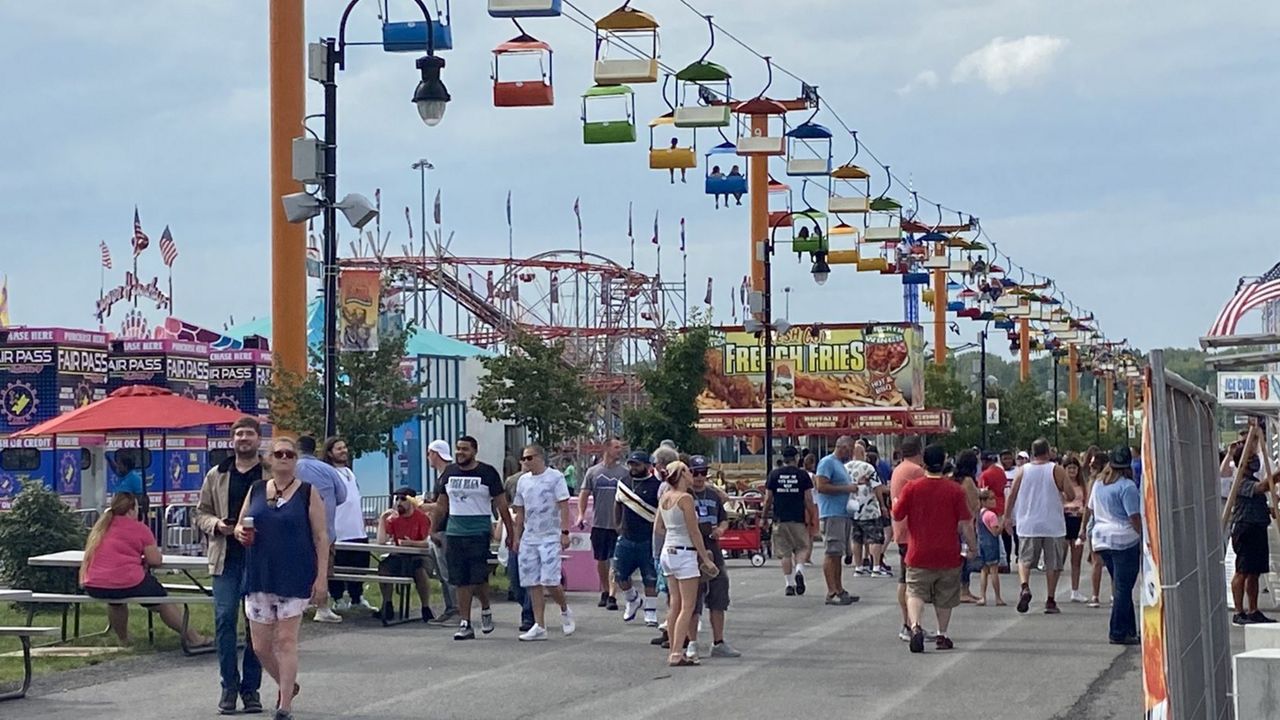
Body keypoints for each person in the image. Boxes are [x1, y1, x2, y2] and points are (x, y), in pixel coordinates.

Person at [234, 436, 329, 720]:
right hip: (260, 574)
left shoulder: (307, 492)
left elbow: (321, 536)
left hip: (295, 574)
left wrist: (321, 577)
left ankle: (284, 704)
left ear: (296, 460)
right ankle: (288, 683)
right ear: (270, 459)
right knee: (261, 646)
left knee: (286, 640)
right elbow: (241, 524)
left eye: (290, 454)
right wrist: (240, 533)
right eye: (279, 454)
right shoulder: (257, 489)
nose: (284, 459)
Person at [194, 416, 265, 715]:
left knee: (256, 627)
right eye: (238, 435)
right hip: (226, 559)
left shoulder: (270, 473)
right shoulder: (216, 474)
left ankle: (251, 689)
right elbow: (201, 513)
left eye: (249, 434)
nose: (243, 439)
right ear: (231, 440)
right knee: (224, 621)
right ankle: (228, 686)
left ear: (259, 440)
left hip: (261, 560)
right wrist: (218, 526)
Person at [81, 492, 209, 648]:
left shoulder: (101, 527)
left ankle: (124, 640)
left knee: (115, 602)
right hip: (126, 581)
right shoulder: (139, 528)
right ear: (131, 509)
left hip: (94, 583)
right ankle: (193, 638)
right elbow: (155, 560)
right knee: (163, 602)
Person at [892, 444, 977, 653]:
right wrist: (973, 547)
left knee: (915, 591)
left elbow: (897, 514)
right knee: (945, 596)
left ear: (925, 462)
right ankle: (942, 634)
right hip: (947, 552)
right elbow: (966, 523)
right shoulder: (955, 490)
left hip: (918, 550)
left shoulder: (912, 487)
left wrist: (894, 502)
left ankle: (915, 626)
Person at [430, 436, 513, 641]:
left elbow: (502, 504)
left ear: (474, 451)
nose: (460, 453)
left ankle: (485, 608)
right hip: (455, 531)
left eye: (465, 449)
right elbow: (442, 504)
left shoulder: (487, 473)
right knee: (460, 579)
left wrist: (510, 533)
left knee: (478, 578)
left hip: (478, 531)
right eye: (458, 449)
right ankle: (465, 622)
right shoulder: (449, 473)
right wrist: (433, 529)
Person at [655, 461, 718, 667]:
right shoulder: (686, 498)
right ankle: (676, 652)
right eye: (689, 472)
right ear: (682, 474)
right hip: (684, 553)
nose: (693, 475)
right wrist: (706, 558)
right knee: (688, 606)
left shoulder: (665, 497)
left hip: (668, 551)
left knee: (675, 604)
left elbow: (658, 527)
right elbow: (694, 531)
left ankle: (674, 649)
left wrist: (674, 534)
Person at [511, 444, 575, 641]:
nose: (526, 462)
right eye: (523, 459)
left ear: (540, 457)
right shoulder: (522, 481)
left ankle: (564, 609)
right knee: (532, 581)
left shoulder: (555, 478)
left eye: (529, 458)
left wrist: (564, 532)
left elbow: (564, 506)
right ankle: (539, 625)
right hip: (530, 536)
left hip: (549, 534)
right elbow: (519, 510)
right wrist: (517, 536)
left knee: (550, 579)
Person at [1005, 438, 1074, 615]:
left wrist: (1006, 517)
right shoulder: (1056, 470)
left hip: (1028, 522)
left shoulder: (1022, 471)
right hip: (1053, 523)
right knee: (1053, 563)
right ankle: (1050, 599)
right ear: (1048, 451)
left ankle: (1025, 586)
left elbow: (1012, 495)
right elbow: (1071, 494)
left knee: (1024, 559)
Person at [1084, 446, 1144, 644]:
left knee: (1119, 584)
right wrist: (1142, 535)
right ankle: (1117, 630)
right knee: (1123, 587)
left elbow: (1091, 509)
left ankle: (1129, 629)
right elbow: (1133, 516)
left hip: (1102, 538)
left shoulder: (1099, 484)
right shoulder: (1127, 487)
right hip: (1124, 538)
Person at [687, 456, 740, 659]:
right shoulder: (685, 495)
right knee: (693, 597)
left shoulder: (712, 494)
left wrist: (720, 529)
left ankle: (718, 641)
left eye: (703, 472)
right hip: (692, 549)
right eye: (695, 472)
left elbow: (724, 519)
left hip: (713, 547)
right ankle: (691, 642)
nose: (699, 477)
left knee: (718, 594)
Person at [294, 435, 347, 624]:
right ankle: (322, 607)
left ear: (297, 449)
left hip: (297, 529)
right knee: (323, 568)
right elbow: (342, 495)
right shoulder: (328, 470)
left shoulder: (292, 469)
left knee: (298, 567)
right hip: (325, 528)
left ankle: (299, 605)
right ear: (314, 449)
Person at [1226, 437, 1277, 625]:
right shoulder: (1240, 480)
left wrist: (1270, 509)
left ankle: (1253, 609)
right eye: (1252, 457)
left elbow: (1259, 498)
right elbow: (1260, 488)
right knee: (1242, 571)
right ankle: (1239, 611)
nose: (1256, 460)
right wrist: (1276, 476)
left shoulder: (1252, 478)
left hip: (1257, 527)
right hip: (1245, 528)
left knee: (1254, 572)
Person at [614, 451, 663, 627]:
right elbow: (618, 504)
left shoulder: (657, 486)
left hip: (647, 538)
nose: (633, 468)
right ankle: (632, 599)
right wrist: (618, 526)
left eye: (637, 464)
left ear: (647, 466)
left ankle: (650, 611)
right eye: (631, 464)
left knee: (650, 576)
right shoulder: (624, 483)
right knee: (620, 574)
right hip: (626, 537)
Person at [577, 437, 627, 611]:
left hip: (619, 524)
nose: (619, 450)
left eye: (620, 447)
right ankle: (605, 589)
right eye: (616, 447)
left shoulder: (624, 472)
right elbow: (584, 494)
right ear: (606, 448)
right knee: (601, 560)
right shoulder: (593, 472)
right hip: (599, 522)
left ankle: (613, 594)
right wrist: (581, 515)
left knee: (615, 560)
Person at [325, 437, 373, 614]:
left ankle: (357, 597)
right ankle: (337, 598)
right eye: (339, 449)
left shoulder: (349, 472)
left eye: (344, 447)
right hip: (339, 529)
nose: (343, 451)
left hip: (357, 529)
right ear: (330, 453)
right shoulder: (329, 472)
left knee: (360, 565)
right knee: (337, 567)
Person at [375, 486, 434, 623]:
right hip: (399, 555)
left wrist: (411, 543)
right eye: (397, 499)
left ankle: (425, 607)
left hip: (419, 556)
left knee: (420, 571)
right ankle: (387, 604)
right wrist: (383, 518)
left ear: (411, 501)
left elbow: (428, 543)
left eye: (403, 499)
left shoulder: (422, 518)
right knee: (383, 568)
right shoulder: (393, 519)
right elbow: (381, 542)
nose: (398, 503)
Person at [763, 446, 816, 596]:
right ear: (797, 458)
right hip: (798, 518)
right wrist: (811, 517)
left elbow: (768, 499)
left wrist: (764, 517)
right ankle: (799, 569)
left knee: (785, 553)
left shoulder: (774, 475)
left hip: (780, 518)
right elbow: (808, 499)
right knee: (802, 547)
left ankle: (789, 584)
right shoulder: (803, 475)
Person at [815, 436, 859, 605]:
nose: (851, 453)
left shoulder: (839, 464)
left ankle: (839, 588)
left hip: (842, 513)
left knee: (838, 553)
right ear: (842, 447)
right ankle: (831, 591)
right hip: (831, 513)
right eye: (850, 449)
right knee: (832, 552)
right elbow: (821, 486)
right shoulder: (827, 462)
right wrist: (846, 488)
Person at [890, 437, 926, 641]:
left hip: (900, 528)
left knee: (905, 578)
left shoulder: (899, 469)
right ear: (918, 451)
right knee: (913, 581)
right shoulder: (915, 471)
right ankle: (911, 624)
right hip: (911, 531)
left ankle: (909, 622)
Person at [424, 439, 459, 625]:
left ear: (434, 453)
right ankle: (451, 607)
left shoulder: (446, 475)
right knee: (441, 571)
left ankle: (455, 608)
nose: (428, 457)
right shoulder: (443, 475)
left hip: (444, 528)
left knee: (447, 571)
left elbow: (443, 506)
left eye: (429, 453)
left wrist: (432, 528)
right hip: (443, 527)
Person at [846, 453, 889, 578]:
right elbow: (877, 488)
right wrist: (882, 505)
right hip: (869, 507)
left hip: (853, 507)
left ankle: (858, 567)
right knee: (875, 538)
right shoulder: (868, 468)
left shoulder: (846, 467)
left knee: (856, 539)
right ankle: (876, 567)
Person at [951, 450, 982, 604]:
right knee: (966, 558)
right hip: (966, 523)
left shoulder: (953, 479)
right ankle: (964, 590)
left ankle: (959, 589)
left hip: (953, 522)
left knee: (959, 557)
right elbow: (974, 504)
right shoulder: (968, 481)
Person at [1061, 454, 1089, 603]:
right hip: (1064, 520)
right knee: (1060, 558)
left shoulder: (1082, 486)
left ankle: (1075, 590)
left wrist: (1083, 527)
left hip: (1078, 519)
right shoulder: (1061, 485)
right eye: (1069, 468)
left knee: (1076, 559)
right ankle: (1051, 590)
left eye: (1074, 468)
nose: (1072, 470)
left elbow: (1086, 504)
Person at [978, 451, 1011, 572]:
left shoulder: (985, 475)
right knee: (1002, 534)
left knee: (993, 536)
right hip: (1001, 503)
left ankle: (1000, 561)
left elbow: (983, 492)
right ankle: (1006, 559)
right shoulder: (1001, 472)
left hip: (990, 506)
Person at [974, 489, 1005, 606]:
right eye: (991, 499)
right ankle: (998, 597)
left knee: (984, 571)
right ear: (984, 501)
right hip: (991, 544)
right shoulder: (991, 515)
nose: (994, 501)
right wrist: (1002, 524)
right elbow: (995, 532)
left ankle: (982, 596)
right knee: (994, 571)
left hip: (982, 543)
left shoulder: (980, 514)